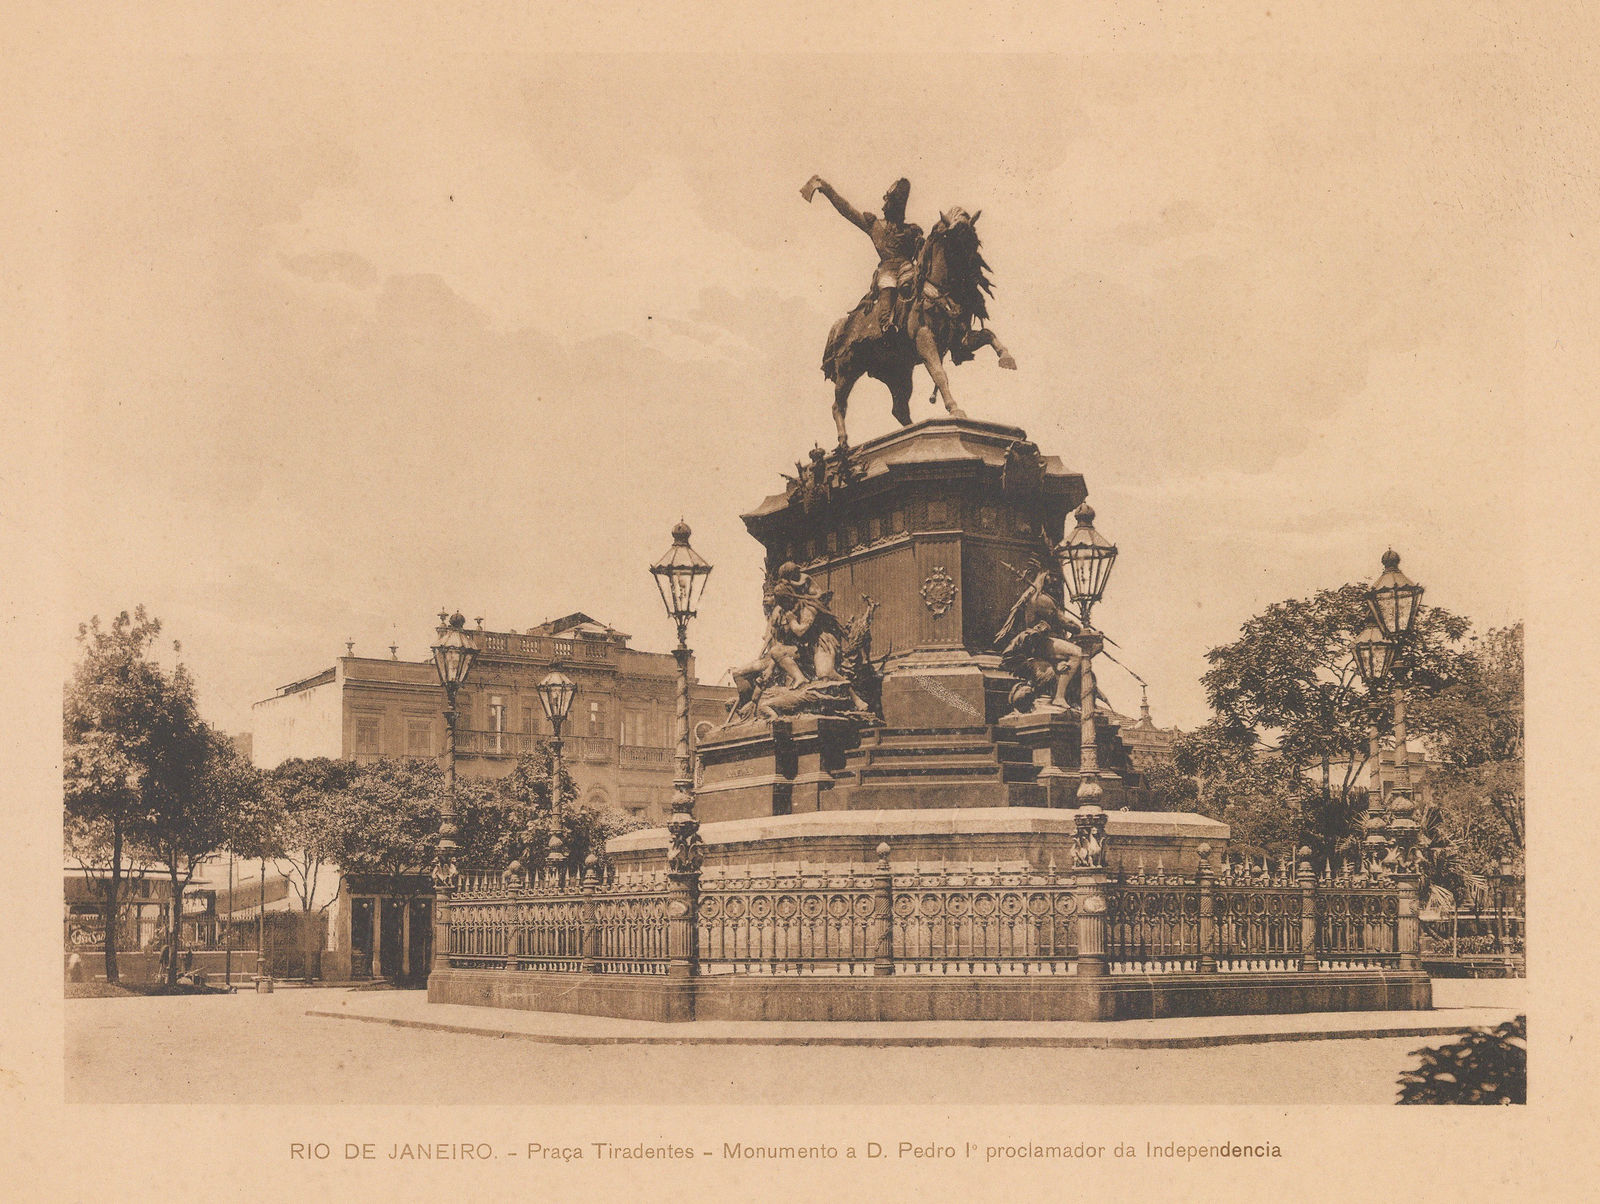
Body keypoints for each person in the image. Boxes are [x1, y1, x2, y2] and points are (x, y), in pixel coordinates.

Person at [803, 175, 924, 337]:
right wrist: (826, 188)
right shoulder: (875, 226)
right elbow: (847, 210)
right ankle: (886, 326)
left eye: (889, 203)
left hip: (908, 270)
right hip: (887, 273)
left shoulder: (911, 231)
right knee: (887, 291)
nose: (884, 207)